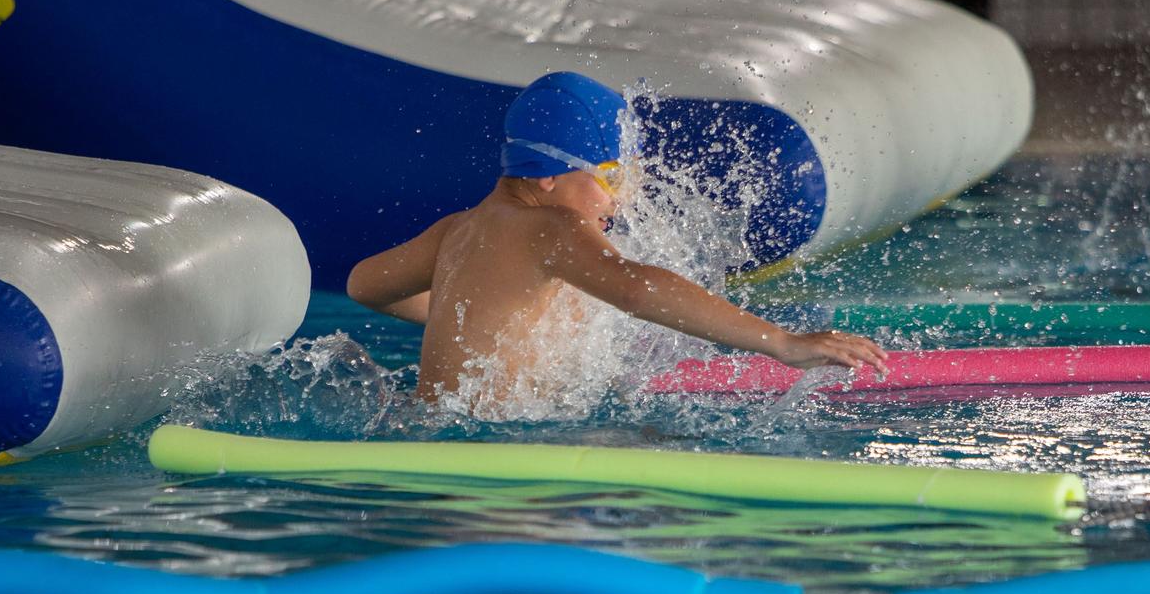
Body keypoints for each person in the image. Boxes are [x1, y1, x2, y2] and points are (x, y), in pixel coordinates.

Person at [347, 71, 887, 411]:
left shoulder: (458, 230)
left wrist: (474, 316)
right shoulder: (551, 228)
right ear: (548, 176)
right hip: (500, 465)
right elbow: (635, 287)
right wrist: (783, 343)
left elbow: (364, 286)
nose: (620, 201)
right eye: (609, 178)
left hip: (439, 435)